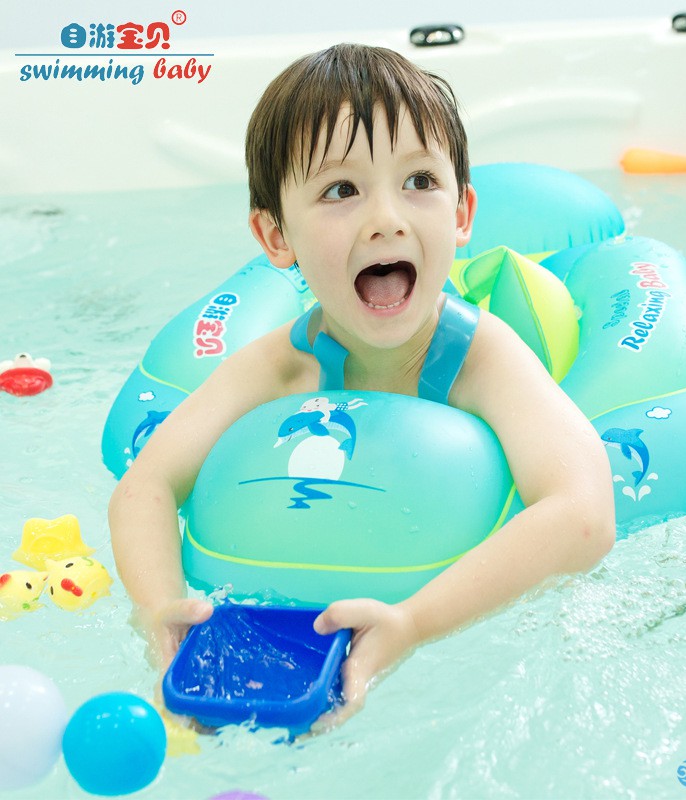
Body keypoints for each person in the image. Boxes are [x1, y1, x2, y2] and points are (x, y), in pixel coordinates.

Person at [109, 42, 615, 727]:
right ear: (275, 236)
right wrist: (158, 610)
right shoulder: (283, 366)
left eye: (419, 181)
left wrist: (414, 622)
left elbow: (584, 515)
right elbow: (145, 485)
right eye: (341, 191)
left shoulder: (483, 360)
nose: (387, 218)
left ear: (461, 214)